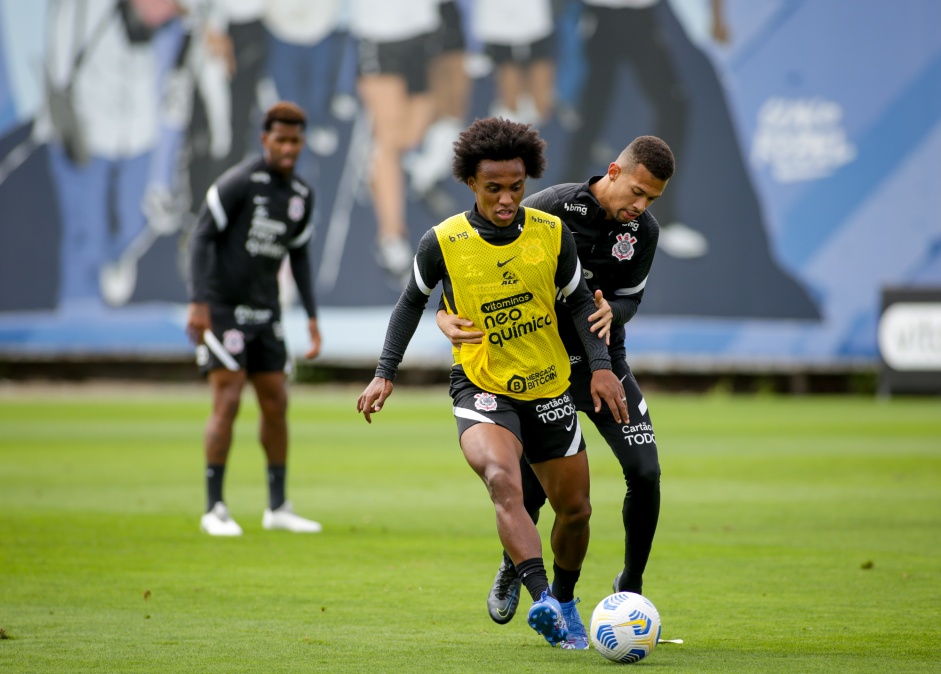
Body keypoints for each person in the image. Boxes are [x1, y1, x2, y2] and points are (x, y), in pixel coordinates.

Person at [356, 116, 629, 649]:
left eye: (516, 188)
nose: (506, 199)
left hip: (549, 386)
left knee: (576, 510)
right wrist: (384, 373)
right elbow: (411, 302)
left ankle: (567, 598)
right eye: (493, 188)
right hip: (482, 385)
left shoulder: (553, 236)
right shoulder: (443, 241)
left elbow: (578, 303)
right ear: (470, 184)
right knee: (502, 478)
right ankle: (543, 598)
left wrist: (600, 366)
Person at [437, 135, 673, 624]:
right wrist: (444, 314)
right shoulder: (553, 207)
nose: (641, 206)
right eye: (637, 192)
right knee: (539, 492)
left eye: (652, 199)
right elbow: (474, 266)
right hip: (543, 369)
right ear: (613, 171)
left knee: (646, 473)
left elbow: (630, 299)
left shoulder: (644, 232)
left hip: (604, 365)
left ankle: (630, 584)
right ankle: (514, 568)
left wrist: (614, 310)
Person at [186, 101, 323, 536]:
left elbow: (299, 256)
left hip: (268, 314)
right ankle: (215, 508)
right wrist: (199, 303)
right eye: (279, 139)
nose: (287, 147)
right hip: (224, 311)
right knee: (227, 402)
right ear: (264, 139)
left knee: (277, 403)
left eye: (294, 140)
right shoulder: (239, 183)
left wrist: (313, 316)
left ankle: (278, 506)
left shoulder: (301, 195)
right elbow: (201, 236)